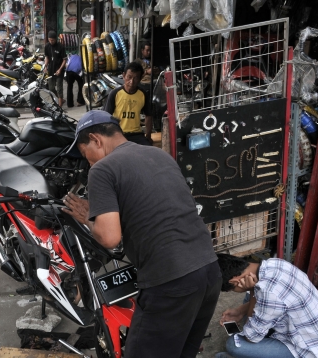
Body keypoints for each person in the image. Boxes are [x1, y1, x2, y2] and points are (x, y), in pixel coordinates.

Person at [63, 110, 221, 358]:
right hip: (209, 271)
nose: (89, 162)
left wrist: (87, 219)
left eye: (86, 154)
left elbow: (109, 238)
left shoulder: (103, 170)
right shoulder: (158, 155)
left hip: (170, 281)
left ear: (96, 139)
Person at [215, 254, 318, 358]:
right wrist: (240, 311)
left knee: (234, 345)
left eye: (232, 289)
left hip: (308, 352)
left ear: (234, 282)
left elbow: (250, 337)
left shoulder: (269, 293)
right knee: (250, 296)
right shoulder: (274, 263)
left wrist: (253, 290)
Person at [104, 61, 153, 145]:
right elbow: (106, 117)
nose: (131, 81)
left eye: (136, 78)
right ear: (123, 76)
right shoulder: (115, 94)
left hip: (136, 134)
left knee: (148, 151)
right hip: (118, 134)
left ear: (140, 78)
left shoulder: (143, 94)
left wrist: (148, 135)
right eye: (129, 77)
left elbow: (148, 115)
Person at [44, 31, 67, 107]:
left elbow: (64, 60)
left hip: (59, 69)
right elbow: (47, 58)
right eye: (50, 40)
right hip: (51, 70)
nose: (51, 41)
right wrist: (45, 66)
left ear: (55, 39)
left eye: (52, 40)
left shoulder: (61, 47)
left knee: (59, 88)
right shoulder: (47, 46)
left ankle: (60, 106)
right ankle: (61, 99)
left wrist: (60, 69)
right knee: (51, 88)